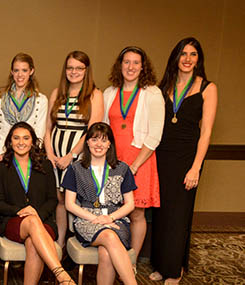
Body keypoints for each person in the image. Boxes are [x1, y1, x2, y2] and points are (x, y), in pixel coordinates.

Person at [150, 37, 218, 284]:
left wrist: (196, 167)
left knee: (179, 214)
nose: (188, 59)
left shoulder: (207, 88)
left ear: (199, 59)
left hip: (188, 158)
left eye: (193, 54)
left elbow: (206, 132)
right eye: (183, 54)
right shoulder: (164, 86)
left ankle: (174, 270)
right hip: (161, 155)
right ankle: (161, 263)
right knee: (161, 212)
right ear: (176, 58)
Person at [0, 122, 74, 285]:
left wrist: (37, 214)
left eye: (26, 138)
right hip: (13, 222)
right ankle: (61, 274)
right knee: (31, 221)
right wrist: (22, 211)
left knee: (33, 244)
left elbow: (52, 199)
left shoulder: (45, 165)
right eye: (16, 138)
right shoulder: (1, 167)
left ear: (33, 142)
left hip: (43, 221)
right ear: (10, 141)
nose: (21, 142)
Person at [102, 46, 163, 257]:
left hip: (140, 161)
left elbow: (155, 135)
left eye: (136, 62)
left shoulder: (152, 93)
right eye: (126, 62)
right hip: (112, 161)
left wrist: (134, 165)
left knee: (137, 212)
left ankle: (132, 259)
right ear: (120, 65)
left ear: (143, 67)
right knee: (111, 209)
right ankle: (113, 255)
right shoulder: (109, 93)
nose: (131, 67)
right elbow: (102, 128)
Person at [63, 122, 137, 285]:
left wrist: (109, 218)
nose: (99, 144)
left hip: (117, 220)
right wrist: (95, 219)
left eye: (104, 140)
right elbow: (69, 204)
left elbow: (130, 204)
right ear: (87, 142)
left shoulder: (122, 168)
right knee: (109, 237)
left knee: (106, 253)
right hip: (87, 220)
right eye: (94, 139)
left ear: (110, 144)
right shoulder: (75, 169)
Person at [43, 51, 104, 248]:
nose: (74, 72)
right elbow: (47, 128)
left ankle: (80, 241)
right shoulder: (56, 93)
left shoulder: (95, 95)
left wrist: (72, 156)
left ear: (86, 71)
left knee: (78, 201)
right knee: (60, 200)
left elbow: (92, 130)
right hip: (55, 155)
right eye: (70, 68)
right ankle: (60, 243)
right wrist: (50, 154)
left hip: (79, 156)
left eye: (79, 68)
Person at [0, 53, 48, 161]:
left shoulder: (41, 100)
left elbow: (40, 131)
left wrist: (32, 154)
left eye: (24, 70)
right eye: (16, 70)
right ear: (12, 72)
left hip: (29, 156)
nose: (20, 75)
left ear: (31, 71)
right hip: (3, 155)